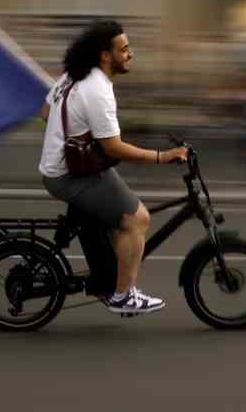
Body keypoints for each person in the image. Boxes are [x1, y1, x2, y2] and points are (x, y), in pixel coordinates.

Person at [38, 19, 187, 318]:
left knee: (113, 215)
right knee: (138, 219)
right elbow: (114, 148)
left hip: (63, 166)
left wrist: (72, 137)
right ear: (106, 55)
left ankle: (106, 280)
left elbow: (45, 112)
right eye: (125, 49)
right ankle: (123, 295)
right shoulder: (98, 90)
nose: (130, 54)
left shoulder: (72, 76)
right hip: (69, 175)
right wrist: (163, 156)